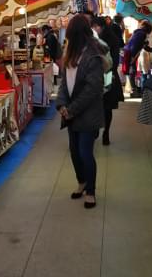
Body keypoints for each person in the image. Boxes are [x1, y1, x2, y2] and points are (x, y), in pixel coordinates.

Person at [55, 15, 105, 209]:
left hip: (87, 112)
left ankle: (91, 191)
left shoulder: (93, 54)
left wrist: (72, 109)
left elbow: (93, 89)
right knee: (74, 151)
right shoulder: (71, 53)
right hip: (71, 113)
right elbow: (64, 85)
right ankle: (81, 181)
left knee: (85, 152)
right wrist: (61, 105)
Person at [91, 16, 125, 145]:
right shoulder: (113, 38)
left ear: (100, 27)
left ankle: (96, 132)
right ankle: (106, 133)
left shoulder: (98, 40)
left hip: (100, 75)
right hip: (110, 75)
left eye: (94, 27)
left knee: (97, 104)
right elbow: (115, 61)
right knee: (107, 106)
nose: (93, 30)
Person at [123, 21, 152, 98]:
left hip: (129, 52)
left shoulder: (139, 33)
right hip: (131, 53)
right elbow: (135, 45)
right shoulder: (141, 34)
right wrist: (133, 57)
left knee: (132, 71)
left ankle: (134, 90)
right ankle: (134, 90)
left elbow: (144, 46)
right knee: (132, 71)